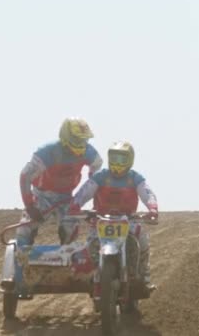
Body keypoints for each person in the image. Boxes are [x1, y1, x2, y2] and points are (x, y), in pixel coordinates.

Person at [68, 141, 158, 289]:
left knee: (142, 241)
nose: (117, 163)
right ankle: (91, 275)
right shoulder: (100, 177)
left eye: (122, 159)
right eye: (114, 158)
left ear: (130, 160)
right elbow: (84, 192)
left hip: (128, 220)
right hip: (100, 220)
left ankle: (144, 277)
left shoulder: (135, 178)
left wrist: (152, 208)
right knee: (90, 246)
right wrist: (75, 205)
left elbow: (147, 193)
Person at [17, 117, 103, 246]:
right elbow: (25, 175)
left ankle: (67, 258)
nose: (81, 144)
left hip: (66, 197)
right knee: (24, 229)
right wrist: (29, 205)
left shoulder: (89, 152)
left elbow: (96, 176)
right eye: (77, 140)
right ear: (65, 137)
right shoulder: (48, 152)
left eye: (84, 140)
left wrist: (93, 201)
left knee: (71, 228)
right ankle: (20, 259)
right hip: (41, 196)